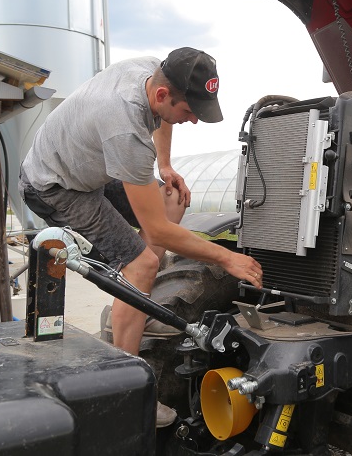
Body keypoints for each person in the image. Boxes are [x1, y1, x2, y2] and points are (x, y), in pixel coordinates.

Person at [18, 47, 263, 428]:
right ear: (163, 96)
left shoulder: (154, 71)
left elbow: (162, 119)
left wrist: (165, 165)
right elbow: (159, 231)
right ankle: (128, 391)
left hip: (86, 167)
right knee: (142, 262)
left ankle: (139, 291)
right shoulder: (125, 130)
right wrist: (227, 258)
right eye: (189, 112)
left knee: (170, 199)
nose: (194, 120)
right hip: (54, 185)